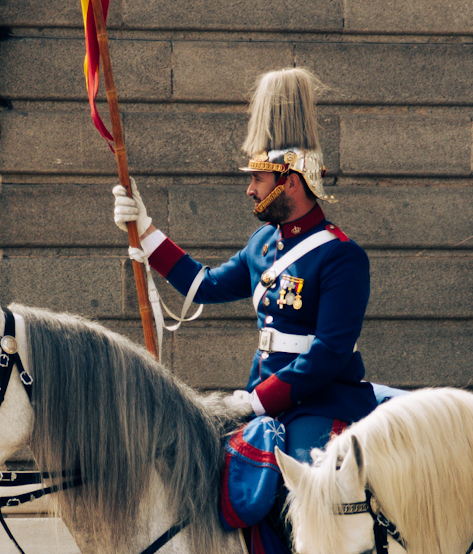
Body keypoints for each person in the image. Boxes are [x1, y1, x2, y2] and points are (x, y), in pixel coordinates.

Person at [113, 68, 378, 464]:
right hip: (263, 397)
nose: (250, 189)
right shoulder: (263, 243)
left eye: (258, 178)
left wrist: (256, 402)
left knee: (301, 487)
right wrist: (145, 229)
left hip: (321, 402)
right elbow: (204, 285)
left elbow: (329, 353)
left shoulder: (341, 255)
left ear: (290, 182)